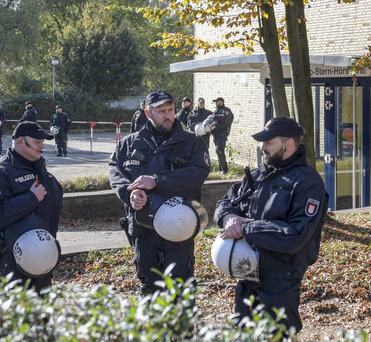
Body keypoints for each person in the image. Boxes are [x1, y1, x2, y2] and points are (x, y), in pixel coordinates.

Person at [213, 117, 328, 333]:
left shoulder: (307, 183)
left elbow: (295, 236)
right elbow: (225, 202)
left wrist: (246, 228)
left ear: (289, 145)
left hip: (280, 281)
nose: (262, 148)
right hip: (247, 276)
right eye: (262, 142)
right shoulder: (258, 176)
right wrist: (228, 217)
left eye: (268, 142)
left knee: (276, 336)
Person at [108, 90, 210, 294]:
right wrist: (130, 194)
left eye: (170, 110)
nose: (168, 115)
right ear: (148, 113)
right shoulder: (129, 144)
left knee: (180, 286)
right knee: (149, 286)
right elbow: (115, 171)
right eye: (161, 111)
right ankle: (151, 326)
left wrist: (157, 181)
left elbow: (198, 174)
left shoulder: (192, 142)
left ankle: (182, 326)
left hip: (178, 227)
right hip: (143, 228)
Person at [0, 121, 64, 290]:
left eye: (42, 143)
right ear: (21, 141)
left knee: (41, 314)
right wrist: (30, 198)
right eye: (38, 142)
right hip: (11, 264)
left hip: (41, 261)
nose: (42, 147)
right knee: (12, 315)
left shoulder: (41, 170)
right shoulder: (0, 173)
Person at [211, 97, 235, 175]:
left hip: (222, 133)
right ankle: (221, 169)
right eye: (216, 102)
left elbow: (224, 118)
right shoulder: (215, 111)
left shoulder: (226, 110)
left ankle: (224, 170)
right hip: (215, 133)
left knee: (219, 150)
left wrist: (213, 117)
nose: (217, 103)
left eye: (219, 102)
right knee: (218, 151)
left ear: (222, 102)